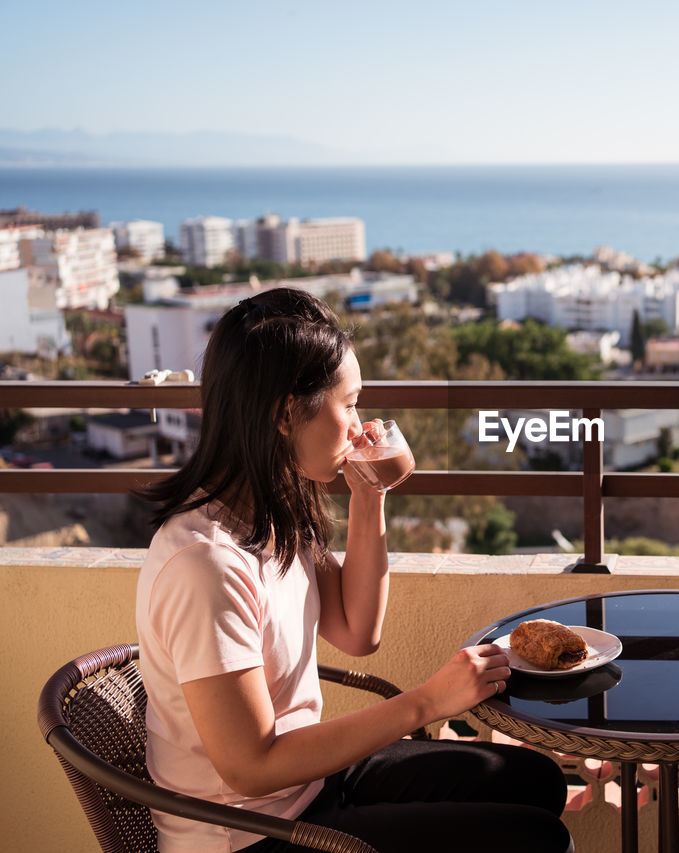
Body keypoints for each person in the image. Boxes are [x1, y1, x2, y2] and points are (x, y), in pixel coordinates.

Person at [135, 288, 571, 852]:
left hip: (307, 786)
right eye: (350, 404)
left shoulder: (275, 511)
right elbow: (249, 766)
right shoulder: (205, 565)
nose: (361, 425)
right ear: (286, 414)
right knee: (536, 840)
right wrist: (427, 701)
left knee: (534, 783)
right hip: (248, 832)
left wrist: (370, 496)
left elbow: (357, 632)